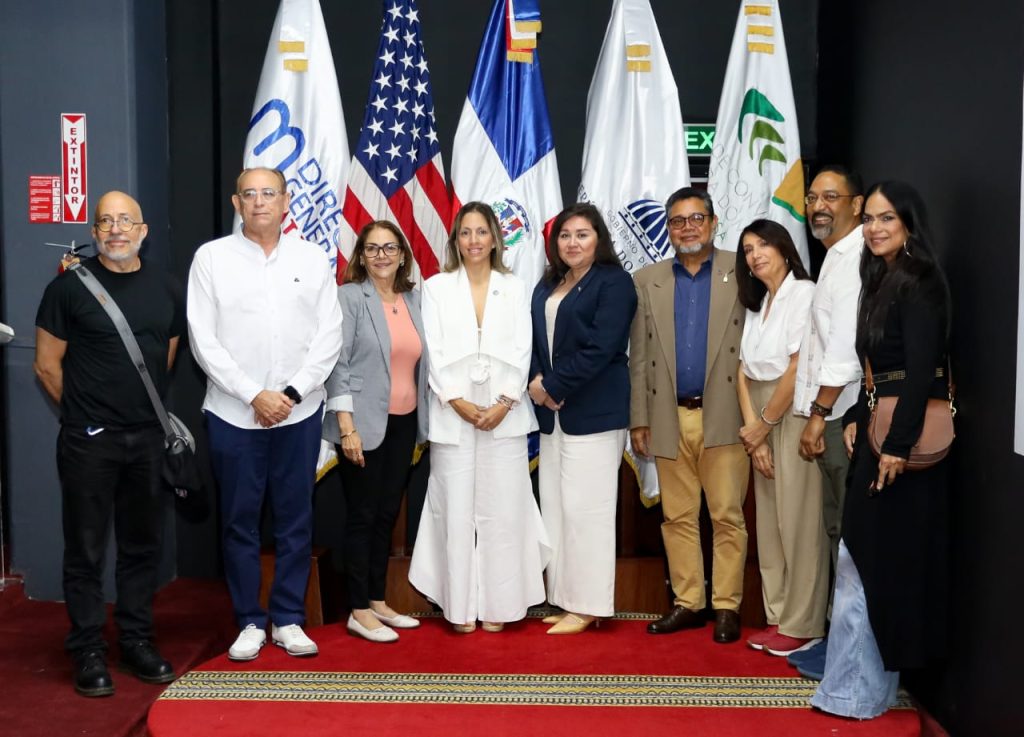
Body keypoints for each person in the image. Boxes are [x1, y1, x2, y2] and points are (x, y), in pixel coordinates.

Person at [188, 168, 342, 661]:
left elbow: (329, 335)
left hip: (298, 413)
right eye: (250, 194)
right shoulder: (211, 259)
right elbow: (203, 340)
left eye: (268, 193)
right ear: (236, 202)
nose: (259, 202)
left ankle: (290, 619)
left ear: (286, 202)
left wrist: (291, 393)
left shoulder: (312, 257)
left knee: (296, 519)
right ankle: (250, 621)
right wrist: (255, 394)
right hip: (235, 414)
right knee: (240, 522)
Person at [812, 181, 952, 719]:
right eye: (868, 218)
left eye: (886, 218)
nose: (874, 228)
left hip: (904, 447)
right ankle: (854, 689)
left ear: (909, 223)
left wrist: (897, 446)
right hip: (876, 430)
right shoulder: (880, 278)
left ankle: (857, 693)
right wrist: (854, 416)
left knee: (869, 566)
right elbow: (880, 370)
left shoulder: (921, 282)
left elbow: (921, 374)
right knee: (859, 562)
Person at [34, 191, 182, 696]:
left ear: (142, 230)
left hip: (147, 441)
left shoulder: (166, 286)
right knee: (86, 550)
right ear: (94, 232)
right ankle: (88, 649)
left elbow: (163, 359)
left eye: (125, 221)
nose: (115, 229)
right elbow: (47, 366)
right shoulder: (68, 289)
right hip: (89, 443)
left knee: (143, 548)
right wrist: (85, 417)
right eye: (105, 222)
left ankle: (137, 640)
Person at [409, 202, 549, 633]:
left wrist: (505, 402)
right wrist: (456, 400)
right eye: (465, 232)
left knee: (503, 510)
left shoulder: (517, 285)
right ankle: (459, 608)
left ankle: (500, 606)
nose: (473, 241)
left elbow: (525, 348)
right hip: (453, 413)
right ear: (455, 239)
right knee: (454, 509)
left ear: (495, 238)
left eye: (481, 232)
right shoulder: (435, 287)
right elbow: (431, 349)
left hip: (505, 413)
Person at [629, 187, 750, 643]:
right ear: (668, 228)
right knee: (677, 517)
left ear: (714, 222)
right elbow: (638, 356)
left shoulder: (740, 273)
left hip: (724, 416)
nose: (687, 227)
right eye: (677, 221)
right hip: (667, 416)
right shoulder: (648, 279)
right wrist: (640, 418)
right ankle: (687, 602)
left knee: (726, 515)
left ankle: (727, 606)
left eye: (696, 218)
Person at [528, 203, 637, 635]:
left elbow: (601, 348)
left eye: (583, 234)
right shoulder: (549, 282)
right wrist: (539, 379)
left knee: (587, 512)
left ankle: (590, 604)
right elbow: (536, 339)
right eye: (566, 236)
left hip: (593, 413)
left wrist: (553, 386)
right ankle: (566, 599)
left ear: (599, 239)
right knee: (556, 509)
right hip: (553, 419)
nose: (573, 243)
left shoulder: (614, 283)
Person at [322, 220, 428, 643]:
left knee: (386, 514)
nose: (381, 255)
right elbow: (337, 364)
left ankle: (378, 599)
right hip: (361, 423)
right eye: (372, 248)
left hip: (404, 422)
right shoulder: (349, 298)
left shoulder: (413, 300)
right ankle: (358, 609)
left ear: (402, 254)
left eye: (389, 248)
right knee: (362, 516)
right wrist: (346, 428)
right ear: (361, 256)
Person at [734, 220, 828, 657]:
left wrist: (764, 425)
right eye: (748, 249)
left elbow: (797, 366)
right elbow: (742, 370)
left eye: (763, 244)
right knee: (769, 524)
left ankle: (804, 622)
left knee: (800, 521)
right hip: (759, 412)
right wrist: (754, 434)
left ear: (785, 248)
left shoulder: (803, 294)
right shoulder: (758, 303)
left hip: (790, 410)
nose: (755, 255)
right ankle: (777, 616)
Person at [790, 166, 865, 678]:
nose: (819, 205)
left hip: (843, 417)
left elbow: (844, 349)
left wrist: (818, 415)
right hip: (832, 414)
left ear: (856, 205)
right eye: (813, 196)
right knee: (837, 529)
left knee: (849, 536)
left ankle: (847, 651)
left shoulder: (857, 258)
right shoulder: (833, 258)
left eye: (831, 196)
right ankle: (836, 643)